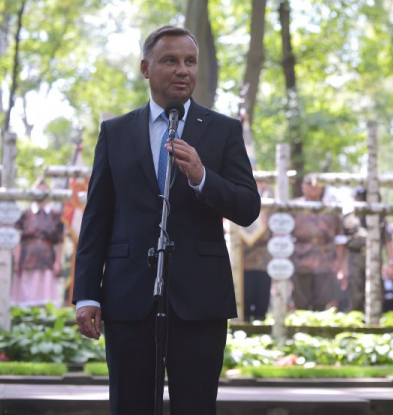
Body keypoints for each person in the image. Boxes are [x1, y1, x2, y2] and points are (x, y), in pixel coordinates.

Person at [73, 25, 260, 415]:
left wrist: (202, 177)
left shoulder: (224, 130)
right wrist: (87, 293)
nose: (182, 70)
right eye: (170, 61)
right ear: (146, 68)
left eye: (190, 62)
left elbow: (247, 207)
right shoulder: (116, 132)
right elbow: (97, 217)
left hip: (200, 299)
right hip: (128, 298)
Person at [290, 174, 347, 310]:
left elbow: (340, 239)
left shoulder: (332, 209)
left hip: (326, 264)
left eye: (318, 184)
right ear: (303, 187)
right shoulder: (293, 207)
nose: (314, 187)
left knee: (322, 304)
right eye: (310, 183)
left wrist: (339, 263)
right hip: (299, 263)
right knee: (300, 303)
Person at [340, 186, 393, 312]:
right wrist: (342, 266)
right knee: (355, 290)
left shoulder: (379, 218)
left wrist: (390, 262)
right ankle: (356, 319)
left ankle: (375, 319)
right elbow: (343, 244)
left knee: (376, 290)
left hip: (375, 257)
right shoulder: (348, 218)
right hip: (354, 258)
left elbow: (387, 241)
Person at [12, 179, 64, 306]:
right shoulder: (25, 214)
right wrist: (17, 260)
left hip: (47, 259)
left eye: (44, 191)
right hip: (27, 258)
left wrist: (57, 262)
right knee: (27, 292)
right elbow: (17, 239)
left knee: (46, 294)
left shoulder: (55, 215)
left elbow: (60, 241)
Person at [241, 179, 272, 321]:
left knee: (262, 294)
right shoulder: (240, 195)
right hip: (242, 257)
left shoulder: (269, 203)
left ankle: (260, 318)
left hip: (263, 259)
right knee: (245, 293)